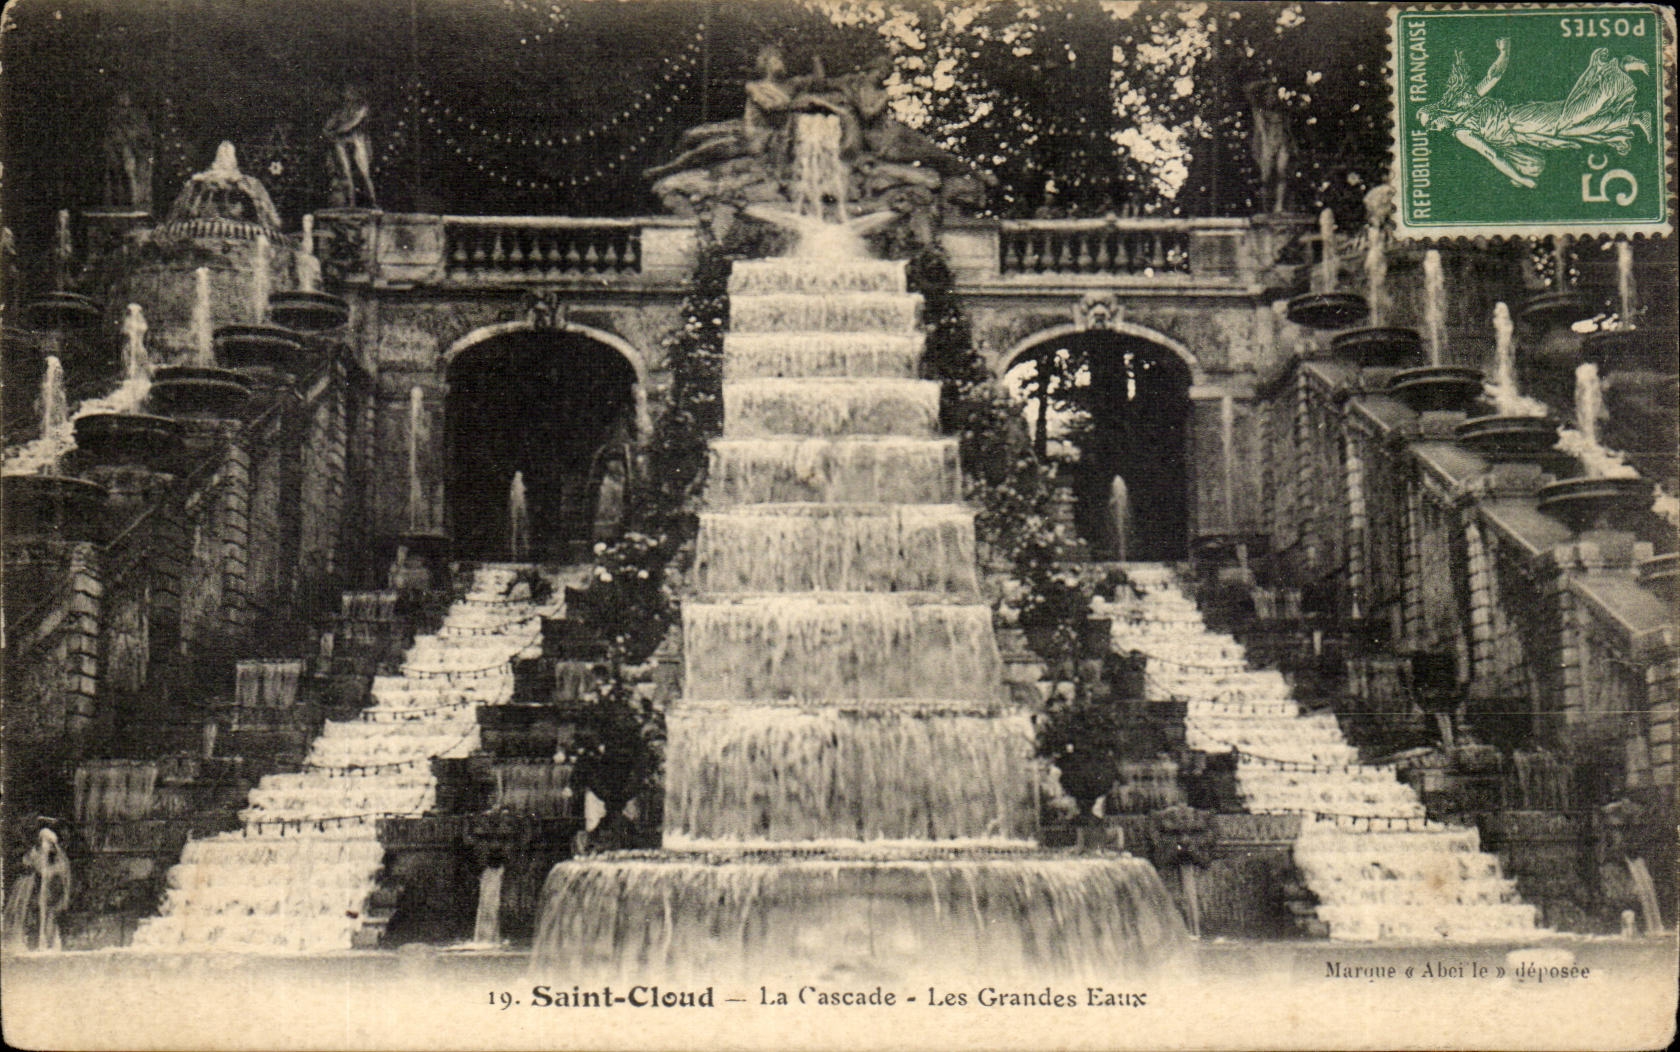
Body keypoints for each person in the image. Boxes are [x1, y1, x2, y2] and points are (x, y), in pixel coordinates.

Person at [1418, 39, 1652, 189]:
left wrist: (1504, 52)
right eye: (1430, 129)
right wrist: (1520, 176)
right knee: (1574, 129)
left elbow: (1493, 79)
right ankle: (1634, 117)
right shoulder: (1460, 130)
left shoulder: (1463, 113)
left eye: (1431, 122)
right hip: (1525, 135)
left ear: (1436, 111)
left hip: (1519, 119)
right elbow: (1495, 153)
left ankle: (1619, 68)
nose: (1433, 129)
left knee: (1569, 117)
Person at [1244, 80, 1295, 213]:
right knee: (1266, 178)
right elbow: (1249, 90)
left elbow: (1287, 129)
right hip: (1267, 144)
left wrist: (1291, 144)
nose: (1272, 97)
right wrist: (1265, 81)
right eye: (1269, 94)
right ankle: (1265, 207)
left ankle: (1279, 205)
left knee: (1282, 173)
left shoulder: (1282, 110)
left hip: (1281, 142)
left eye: (1274, 94)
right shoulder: (1259, 110)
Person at [324, 85, 378, 209]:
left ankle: (372, 201)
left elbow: (352, 123)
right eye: (346, 92)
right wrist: (333, 133)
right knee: (346, 173)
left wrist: (336, 131)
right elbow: (326, 129)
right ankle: (351, 203)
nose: (347, 94)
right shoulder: (340, 112)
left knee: (364, 173)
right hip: (342, 143)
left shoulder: (362, 108)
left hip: (357, 141)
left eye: (350, 91)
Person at [102, 92, 155, 210]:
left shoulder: (138, 121)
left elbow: (145, 139)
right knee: (121, 176)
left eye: (126, 106)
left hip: (137, 156)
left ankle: (137, 203)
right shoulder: (113, 123)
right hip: (120, 154)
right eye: (120, 106)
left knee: (136, 178)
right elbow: (110, 141)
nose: (123, 110)